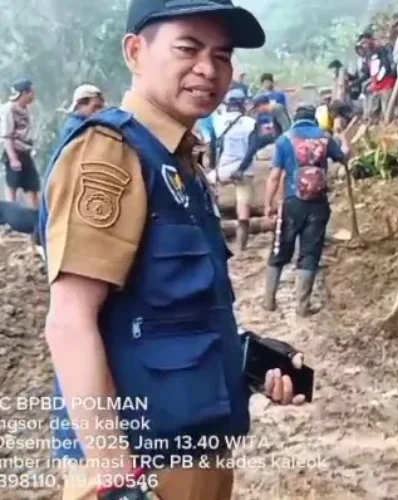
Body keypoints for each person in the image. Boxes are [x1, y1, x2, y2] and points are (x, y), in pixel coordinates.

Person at [37, 1, 305, 499]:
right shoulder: (110, 152)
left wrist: (245, 363)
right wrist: (118, 482)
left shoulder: (179, 162)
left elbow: (173, 312)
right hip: (142, 470)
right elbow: (69, 321)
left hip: (198, 454)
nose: (208, 69)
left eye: (221, 55)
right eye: (188, 48)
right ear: (135, 52)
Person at [263, 105, 349, 316]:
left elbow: (274, 176)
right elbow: (344, 158)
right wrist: (343, 138)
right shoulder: (325, 138)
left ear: (295, 119)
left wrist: (268, 205)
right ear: (314, 120)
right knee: (310, 253)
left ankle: (269, 301)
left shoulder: (285, 139)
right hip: (318, 204)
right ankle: (302, 307)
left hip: (291, 203)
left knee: (280, 249)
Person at [206, 87, 258, 251]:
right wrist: (241, 169)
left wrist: (213, 168)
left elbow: (213, 146)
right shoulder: (251, 123)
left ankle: (214, 232)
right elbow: (252, 149)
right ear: (243, 104)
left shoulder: (217, 121)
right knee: (243, 211)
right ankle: (241, 247)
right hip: (244, 170)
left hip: (223, 169)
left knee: (209, 197)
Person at [1, 78, 39, 207]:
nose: (33, 96)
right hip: (15, 151)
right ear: (24, 93)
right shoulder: (9, 110)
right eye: (31, 92)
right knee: (13, 186)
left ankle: (34, 214)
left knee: (33, 186)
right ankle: (10, 215)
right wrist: (13, 159)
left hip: (26, 151)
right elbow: (7, 136)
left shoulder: (25, 109)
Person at [359, 31, 397, 123]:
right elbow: (370, 72)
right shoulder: (368, 55)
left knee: (386, 110)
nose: (364, 45)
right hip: (376, 85)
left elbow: (385, 66)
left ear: (371, 40)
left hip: (386, 82)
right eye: (362, 44)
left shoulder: (382, 50)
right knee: (373, 110)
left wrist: (378, 80)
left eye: (365, 42)